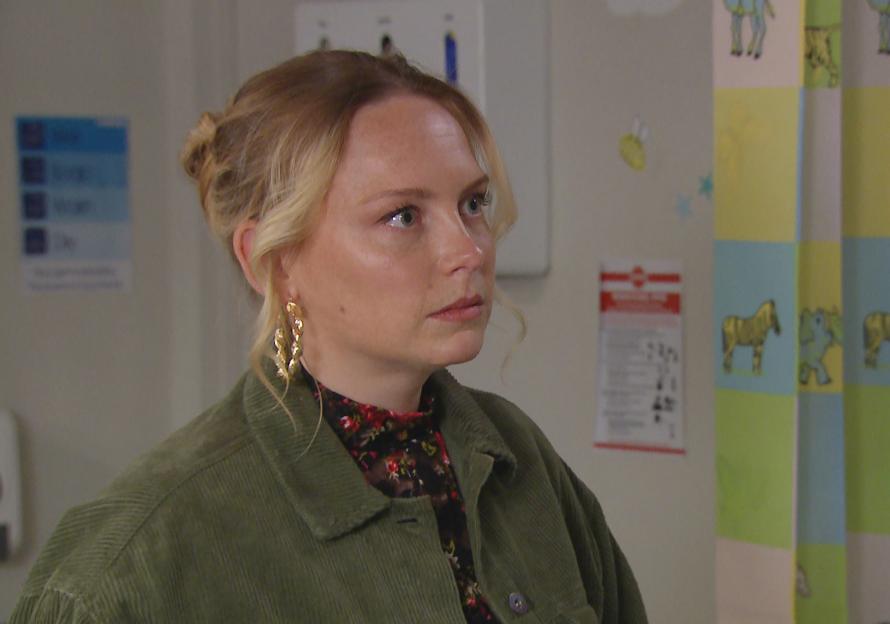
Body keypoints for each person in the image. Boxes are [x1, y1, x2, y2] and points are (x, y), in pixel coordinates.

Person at [11, 51, 647, 624]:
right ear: (273, 260)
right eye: (403, 215)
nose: (467, 249)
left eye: (473, 203)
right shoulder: (131, 565)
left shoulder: (517, 459)